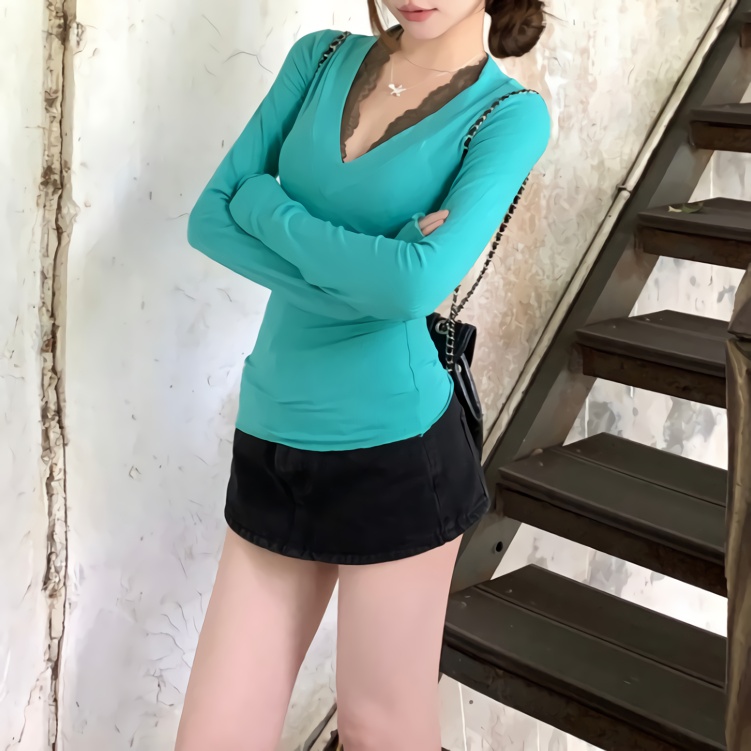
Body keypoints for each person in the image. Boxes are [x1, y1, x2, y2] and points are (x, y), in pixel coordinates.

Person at [176, 1, 549, 749]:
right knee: (214, 735)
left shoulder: (508, 115)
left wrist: (267, 206)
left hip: (398, 450)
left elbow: (414, 289)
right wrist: (378, 272)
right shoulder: (318, 58)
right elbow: (209, 219)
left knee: (380, 730)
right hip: (274, 428)